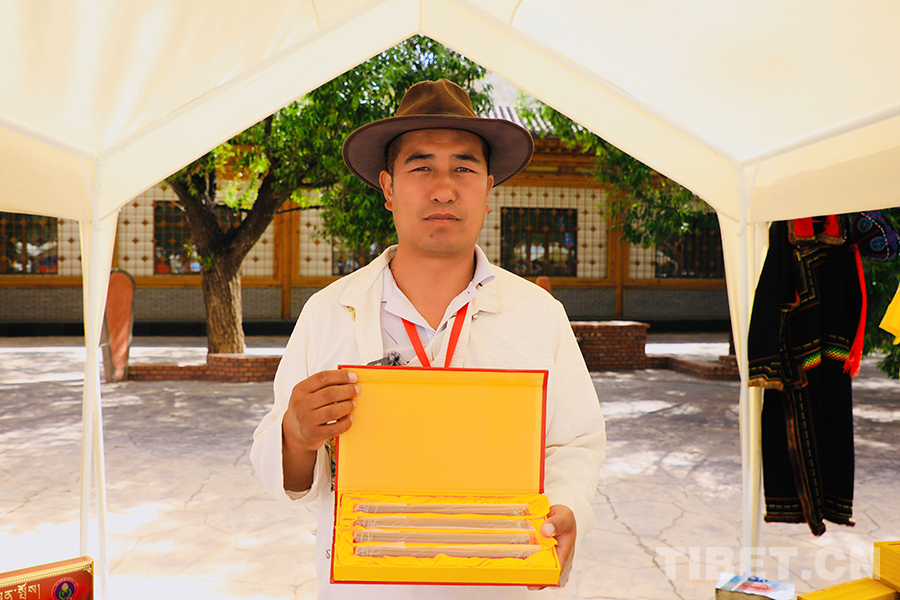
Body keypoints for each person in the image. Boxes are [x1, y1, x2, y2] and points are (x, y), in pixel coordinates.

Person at [251, 79, 606, 599]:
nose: (443, 189)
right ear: (388, 188)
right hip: (367, 585)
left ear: (488, 189)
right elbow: (287, 464)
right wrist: (294, 434)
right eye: (421, 168)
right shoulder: (330, 312)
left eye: (464, 168)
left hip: (497, 578)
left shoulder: (537, 313)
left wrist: (568, 505)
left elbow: (575, 442)